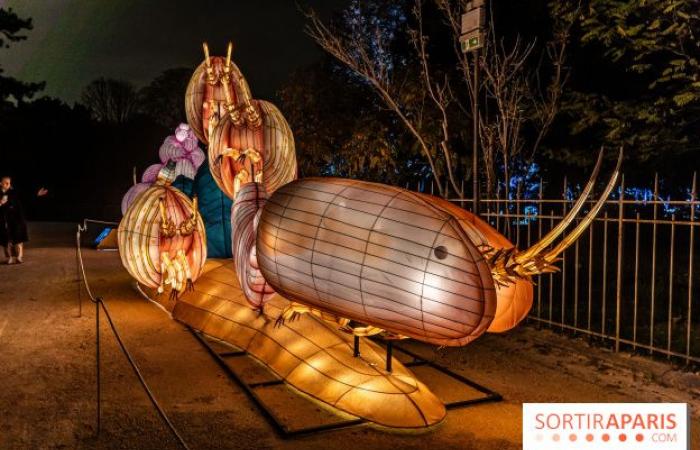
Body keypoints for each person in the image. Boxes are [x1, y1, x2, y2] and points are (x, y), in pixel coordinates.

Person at [0, 176, 48, 264]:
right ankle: (9, 257)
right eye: (6, 183)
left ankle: (19, 257)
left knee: (18, 239)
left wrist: (36, 194)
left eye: (9, 183)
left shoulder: (14, 192)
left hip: (17, 219)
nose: (8, 184)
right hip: (4, 220)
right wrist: (1, 203)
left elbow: (25, 196)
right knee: (5, 240)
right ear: (1, 183)